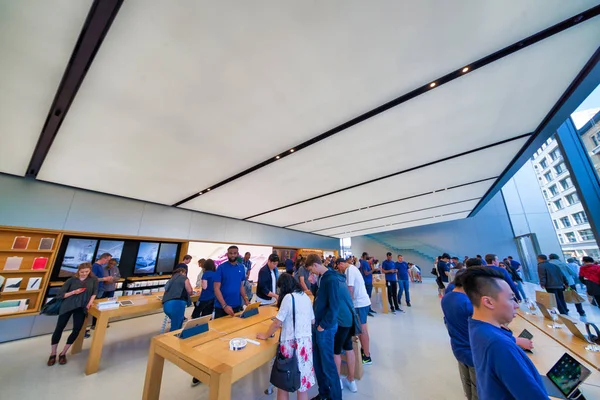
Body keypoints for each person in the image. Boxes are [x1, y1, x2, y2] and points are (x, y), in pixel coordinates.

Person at [462, 267, 546, 399]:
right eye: (512, 298)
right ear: (488, 302)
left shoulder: (477, 326)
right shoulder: (498, 344)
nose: (516, 305)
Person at [257, 274, 316, 400]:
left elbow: (277, 322)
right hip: (306, 345)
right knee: (302, 385)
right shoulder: (305, 297)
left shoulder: (289, 298)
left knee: (283, 385)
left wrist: (265, 335)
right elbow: (312, 320)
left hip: (291, 345)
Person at [305, 254, 342, 400]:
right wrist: (313, 284)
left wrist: (322, 326)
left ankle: (334, 397)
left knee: (328, 366)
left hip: (325, 328)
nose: (311, 273)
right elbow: (321, 300)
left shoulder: (331, 279)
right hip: (319, 325)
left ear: (315, 265)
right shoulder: (322, 278)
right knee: (319, 364)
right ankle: (324, 394)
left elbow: (334, 307)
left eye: (311, 270)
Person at [49, 262, 98, 366]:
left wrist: (90, 303)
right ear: (78, 271)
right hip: (67, 306)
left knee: (77, 329)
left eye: (86, 272)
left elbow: (94, 292)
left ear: (90, 271)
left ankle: (63, 353)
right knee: (59, 328)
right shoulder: (71, 280)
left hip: (81, 307)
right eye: (82, 272)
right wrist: (73, 292)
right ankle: (53, 353)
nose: (84, 274)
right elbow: (60, 295)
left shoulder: (93, 280)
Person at [440, 272, 477, 400]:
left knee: (466, 379)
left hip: (458, 346)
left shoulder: (447, 297)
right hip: (472, 349)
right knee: (477, 384)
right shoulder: (467, 303)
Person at [338, 258, 372, 366]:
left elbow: (350, 290)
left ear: (341, 264)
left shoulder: (349, 270)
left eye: (338, 267)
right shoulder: (352, 269)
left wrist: (347, 305)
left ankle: (366, 356)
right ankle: (365, 352)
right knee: (362, 329)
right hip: (362, 303)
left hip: (359, 304)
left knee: (362, 330)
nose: (339, 270)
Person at [332, 258, 358, 392]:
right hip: (349, 319)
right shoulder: (343, 282)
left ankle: (338, 382)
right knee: (348, 347)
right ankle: (351, 379)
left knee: (336, 350)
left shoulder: (334, 283)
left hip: (342, 321)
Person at [214, 245, 249, 319]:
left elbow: (241, 285)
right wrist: (224, 305)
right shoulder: (221, 268)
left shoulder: (241, 267)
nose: (233, 255)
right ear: (227, 254)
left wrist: (246, 299)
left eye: (235, 253)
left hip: (236, 306)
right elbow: (216, 288)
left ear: (238, 254)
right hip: (221, 307)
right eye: (231, 253)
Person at [162, 267, 193, 331]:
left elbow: (166, 289)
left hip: (166, 305)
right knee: (176, 328)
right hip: (177, 304)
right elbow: (189, 291)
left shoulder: (171, 280)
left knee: (175, 323)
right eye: (185, 273)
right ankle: (172, 340)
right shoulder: (184, 278)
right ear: (181, 272)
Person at [89, 253, 113, 335]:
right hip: (96, 289)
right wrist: (105, 278)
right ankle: (94, 324)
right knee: (96, 307)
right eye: (108, 260)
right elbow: (92, 279)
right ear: (104, 258)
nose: (108, 261)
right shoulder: (95, 266)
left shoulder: (100, 267)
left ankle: (99, 323)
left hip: (100, 289)